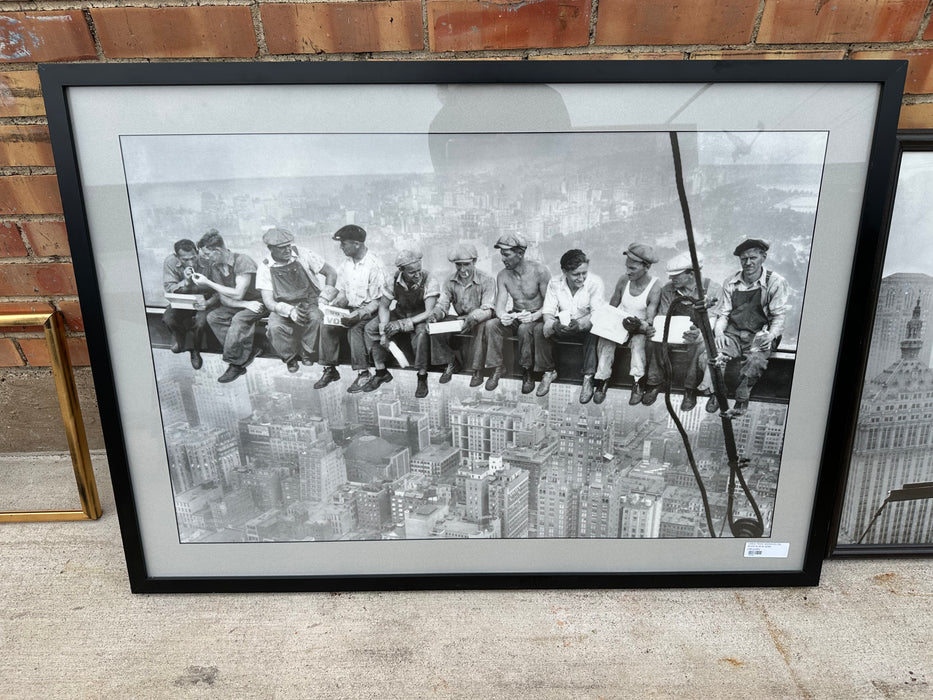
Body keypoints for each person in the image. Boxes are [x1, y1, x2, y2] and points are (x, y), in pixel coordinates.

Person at [714, 238, 789, 415]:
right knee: (716, 357)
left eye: (753, 258)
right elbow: (723, 314)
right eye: (743, 259)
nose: (748, 263)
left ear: (763, 257)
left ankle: (742, 398)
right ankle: (717, 393)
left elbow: (779, 316)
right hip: (734, 332)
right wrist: (719, 333)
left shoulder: (775, 281)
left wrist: (770, 336)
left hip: (760, 334)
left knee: (755, 361)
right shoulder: (731, 282)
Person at [642, 252, 721, 412]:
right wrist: (655, 330)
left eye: (676, 276)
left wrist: (699, 333)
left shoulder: (712, 289)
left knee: (699, 346)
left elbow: (712, 318)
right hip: (672, 331)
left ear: (691, 274)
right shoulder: (668, 290)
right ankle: (655, 382)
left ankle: (689, 389)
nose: (672, 279)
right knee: (653, 342)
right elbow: (663, 316)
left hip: (698, 332)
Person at [315, 225, 386, 393]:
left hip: (370, 311)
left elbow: (379, 301)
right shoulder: (346, 265)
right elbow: (343, 292)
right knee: (326, 325)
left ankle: (363, 373)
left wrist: (359, 314)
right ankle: (330, 368)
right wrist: (332, 305)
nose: (341, 247)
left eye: (344, 244)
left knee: (354, 329)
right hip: (350, 308)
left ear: (356, 244)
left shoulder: (374, 265)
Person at [255, 228, 337, 374]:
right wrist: (289, 311)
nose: (287, 250)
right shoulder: (265, 267)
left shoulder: (303, 254)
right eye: (282, 248)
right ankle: (290, 357)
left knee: (316, 318)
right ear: (271, 248)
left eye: (288, 245)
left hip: (309, 301)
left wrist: (325, 297)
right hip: (282, 305)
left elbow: (331, 272)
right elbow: (268, 302)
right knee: (274, 327)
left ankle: (307, 352)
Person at [191, 229, 267, 383]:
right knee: (214, 317)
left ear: (217, 250)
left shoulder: (242, 261)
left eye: (207, 254)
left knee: (239, 319)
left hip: (259, 302)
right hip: (244, 303)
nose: (205, 258)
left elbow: (238, 293)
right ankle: (248, 351)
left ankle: (236, 363)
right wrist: (245, 304)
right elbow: (224, 299)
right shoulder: (215, 266)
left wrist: (208, 282)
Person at [363, 248, 440, 398]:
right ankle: (381, 371)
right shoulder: (392, 280)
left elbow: (428, 312)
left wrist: (402, 324)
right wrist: (383, 331)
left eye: (419, 270)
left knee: (422, 334)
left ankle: (422, 376)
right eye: (412, 272)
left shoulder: (430, 279)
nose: (417, 274)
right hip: (400, 312)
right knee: (370, 328)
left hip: (420, 316)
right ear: (402, 270)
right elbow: (384, 307)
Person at [593, 243, 661, 406]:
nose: (628, 272)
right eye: (627, 267)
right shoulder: (624, 280)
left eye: (633, 268)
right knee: (606, 341)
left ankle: (637, 381)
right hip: (620, 323)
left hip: (639, 328)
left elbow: (650, 318)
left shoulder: (655, 287)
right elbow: (612, 305)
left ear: (646, 267)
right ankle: (602, 379)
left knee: (638, 345)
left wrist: (640, 325)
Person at [485, 234, 551, 394]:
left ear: (520, 254)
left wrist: (534, 316)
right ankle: (497, 367)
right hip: (516, 315)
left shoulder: (540, 271)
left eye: (506, 254)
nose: (502, 258)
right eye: (501, 253)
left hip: (537, 316)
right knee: (491, 324)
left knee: (524, 329)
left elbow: (551, 304)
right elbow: (500, 305)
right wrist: (502, 316)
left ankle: (526, 371)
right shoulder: (503, 275)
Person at [541, 249, 605, 402]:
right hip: (563, 324)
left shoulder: (595, 283)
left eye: (584, 273)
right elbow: (548, 311)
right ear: (564, 272)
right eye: (576, 274)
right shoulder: (555, 283)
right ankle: (549, 371)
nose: (581, 278)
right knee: (540, 330)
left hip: (585, 324)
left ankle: (588, 378)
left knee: (595, 332)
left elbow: (596, 313)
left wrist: (581, 324)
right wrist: (554, 325)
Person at [430, 243, 497, 387]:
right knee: (435, 327)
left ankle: (477, 370)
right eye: (458, 265)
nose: (462, 269)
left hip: (479, 318)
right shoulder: (450, 281)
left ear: (474, 261)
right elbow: (443, 304)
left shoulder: (487, 280)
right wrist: (435, 315)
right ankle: (450, 362)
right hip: (461, 319)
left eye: (466, 264)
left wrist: (474, 317)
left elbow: (488, 307)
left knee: (482, 328)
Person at [162, 238, 212, 370]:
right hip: (181, 299)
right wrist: (186, 282)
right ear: (177, 257)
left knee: (200, 323)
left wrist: (207, 301)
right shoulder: (170, 262)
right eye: (185, 260)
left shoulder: (207, 260)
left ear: (197, 252)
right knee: (168, 319)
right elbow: (169, 288)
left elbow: (217, 287)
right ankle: (179, 337)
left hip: (204, 300)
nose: (191, 262)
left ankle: (194, 350)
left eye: (193, 258)